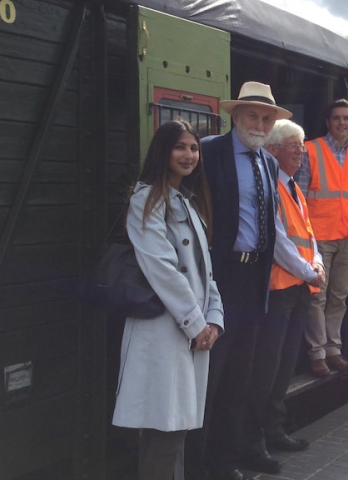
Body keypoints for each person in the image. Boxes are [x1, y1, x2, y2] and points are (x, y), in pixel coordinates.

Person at [112, 119, 223, 480]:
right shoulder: (147, 200)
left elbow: (205, 272)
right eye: (180, 147)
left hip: (189, 331)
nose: (189, 155)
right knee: (166, 430)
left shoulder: (187, 201)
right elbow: (161, 268)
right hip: (163, 331)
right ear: (163, 151)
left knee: (175, 430)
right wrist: (196, 323)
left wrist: (215, 319)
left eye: (193, 148)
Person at [191, 82, 288, 480]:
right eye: (253, 115)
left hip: (253, 281)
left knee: (239, 379)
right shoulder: (209, 151)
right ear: (236, 116)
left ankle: (223, 462)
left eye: (267, 118)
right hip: (219, 277)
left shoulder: (268, 163)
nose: (260, 123)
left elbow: (272, 226)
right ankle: (193, 466)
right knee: (208, 378)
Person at [245, 120, 326, 456]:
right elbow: (278, 240)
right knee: (267, 367)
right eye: (295, 145)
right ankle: (255, 438)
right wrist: (311, 272)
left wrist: (318, 263)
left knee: (285, 365)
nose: (301, 152)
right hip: (280, 290)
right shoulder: (270, 187)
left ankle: (274, 429)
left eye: (303, 146)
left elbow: (307, 235)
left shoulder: (292, 187)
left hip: (299, 290)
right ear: (274, 149)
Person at [296, 99, 348, 377]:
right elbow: (300, 199)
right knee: (318, 297)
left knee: (338, 297)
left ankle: (333, 351)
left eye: (346, 118)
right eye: (336, 118)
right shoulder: (311, 150)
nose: (342, 122)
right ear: (328, 122)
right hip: (318, 239)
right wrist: (304, 242)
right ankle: (317, 354)